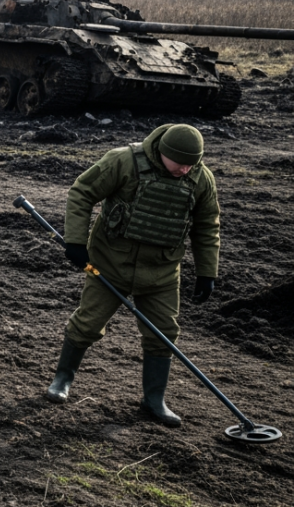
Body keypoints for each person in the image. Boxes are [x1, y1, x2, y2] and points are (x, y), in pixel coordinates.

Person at [47, 124, 219, 427]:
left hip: (162, 272)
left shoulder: (200, 179)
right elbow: (82, 193)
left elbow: (207, 226)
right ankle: (62, 379)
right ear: (163, 152)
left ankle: (155, 400)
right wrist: (76, 241)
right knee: (88, 323)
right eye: (179, 161)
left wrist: (207, 272)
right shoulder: (123, 161)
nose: (185, 168)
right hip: (110, 264)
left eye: (191, 163)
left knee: (163, 333)